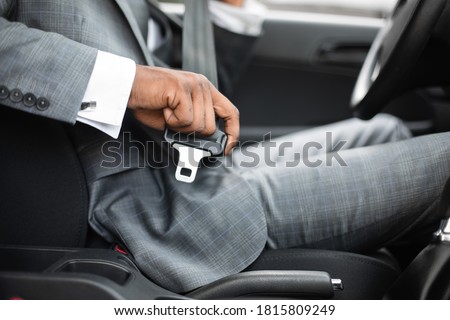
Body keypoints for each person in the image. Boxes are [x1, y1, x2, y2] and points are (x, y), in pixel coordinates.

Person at [1, 0, 450, 293]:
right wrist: (130, 84)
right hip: (144, 206)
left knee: (387, 128)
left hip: (179, 167)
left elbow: (186, 98)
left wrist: (225, 11)